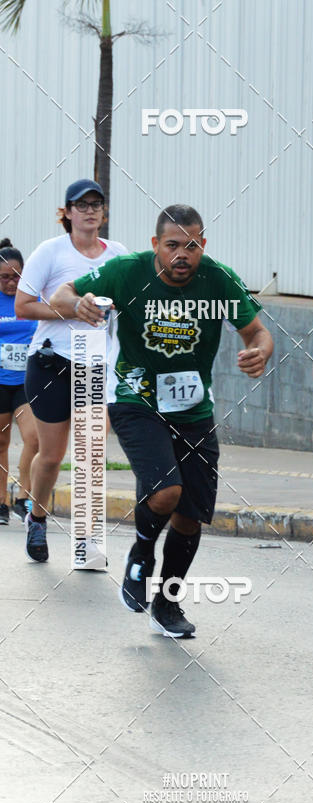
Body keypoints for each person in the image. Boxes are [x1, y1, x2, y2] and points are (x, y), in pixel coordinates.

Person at [50, 204, 273, 639]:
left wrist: (259, 352)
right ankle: (141, 554)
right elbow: (60, 296)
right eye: (172, 246)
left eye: (191, 246)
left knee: (190, 517)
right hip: (137, 401)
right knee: (166, 490)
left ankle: (167, 604)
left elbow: (257, 332)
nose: (182, 255)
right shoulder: (127, 272)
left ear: (202, 246)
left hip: (194, 411)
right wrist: (80, 306)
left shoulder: (219, 279)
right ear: (156, 245)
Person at [15, 179, 127, 562]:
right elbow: (23, 306)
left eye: (97, 204)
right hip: (51, 362)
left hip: (96, 366)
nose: (90, 210)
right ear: (67, 212)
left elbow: (129, 305)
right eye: (82, 205)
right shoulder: (51, 251)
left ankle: (87, 540)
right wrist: (72, 309)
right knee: (51, 456)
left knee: (92, 456)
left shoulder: (118, 255)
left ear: (104, 212)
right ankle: (37, 517)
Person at [0, 240, 38, 524]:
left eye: (17, 276)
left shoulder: (33, 297)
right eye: (5, 277)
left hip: (27, 381)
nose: (12, 282)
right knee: (1, 441)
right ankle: (0, 501)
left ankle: (23, 498)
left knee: (33, 439)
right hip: (0, 381)